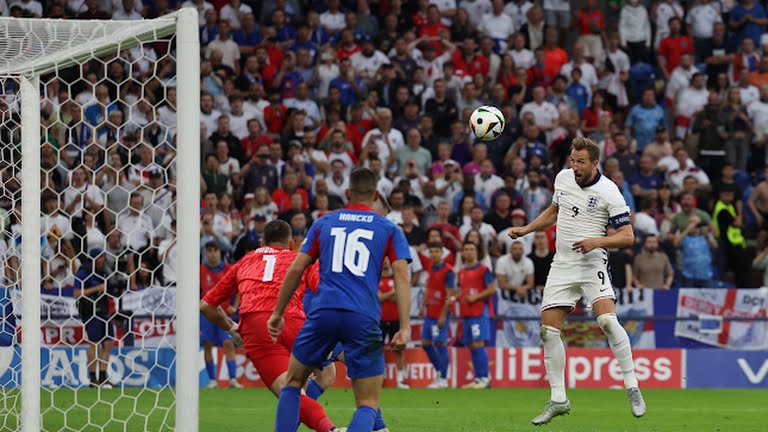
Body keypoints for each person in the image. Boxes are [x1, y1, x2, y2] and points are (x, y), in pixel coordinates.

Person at [508, 137, 645, 424]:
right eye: (572, 160)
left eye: (581, 161)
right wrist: (527, 229)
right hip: (562, 264)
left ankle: (632, 386)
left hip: (592, 261)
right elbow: (554, 212)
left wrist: (597, 241)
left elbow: (628, 236)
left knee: (607, 321)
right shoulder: (563, 178)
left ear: (595, 163)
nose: (575, 166)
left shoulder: (610, 192)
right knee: (548, 331)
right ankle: (558, 399)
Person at [269, 168, 412, 432]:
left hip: (322, 312)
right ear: (377, 194)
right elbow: (402, 277)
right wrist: (404, 327)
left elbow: (297, 269)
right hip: (362, 316)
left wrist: (277, 312)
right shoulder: (389, 229)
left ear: (347, 193)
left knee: (292, 384)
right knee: (367, 402)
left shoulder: (324, 222)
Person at [200, 220, 341, 432]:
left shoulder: (244, 261)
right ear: (291, 243)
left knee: (289, 390)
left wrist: (232, 328)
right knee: (327, 373)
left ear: (262, 242)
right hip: (295, 323)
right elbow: (325, 291)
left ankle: (329, 429)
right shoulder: (299, 259)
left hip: (258, 326)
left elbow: (206, 306)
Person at [199, 241, 241, 388]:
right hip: (206, 314)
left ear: (219, 252)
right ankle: (212, 380)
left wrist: (234, 306)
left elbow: (239, 288)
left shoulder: (229, 268)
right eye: (209, 251)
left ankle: (233, 379)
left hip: (224, 314)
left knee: (228, 343)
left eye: (215, 250)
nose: (212, 253)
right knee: (207, 345)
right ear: (206, 253)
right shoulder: (201, 269)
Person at [456, 241, 496, 389]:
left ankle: (485, 378)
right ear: (462, 253)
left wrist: (476, 297)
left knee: (478, 343)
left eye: (472, 249)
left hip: (479, 312)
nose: (469, 252)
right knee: (472, 345)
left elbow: (492, 289)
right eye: (466, 249)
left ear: (477, 252)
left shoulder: (484, 270)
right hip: (466, 314)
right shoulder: (461, 272)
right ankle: (478, 379)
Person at [75, 248, 114, 388]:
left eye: (103, 257)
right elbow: (77, 293)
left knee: (108, 343)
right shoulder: (83, 272)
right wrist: (97, 288)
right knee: (94, 343)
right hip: (90, 311)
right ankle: (93, 379)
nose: (102, 260)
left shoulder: (103, 271)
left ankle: (103, 377)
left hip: (103, 310)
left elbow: (109, 288)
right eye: (99, 258)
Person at [421, 241, 455, 389]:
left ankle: (443, 378)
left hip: (441, 314)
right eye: (431, 252)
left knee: (440, 343)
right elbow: (429, 288)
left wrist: (443, 315)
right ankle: (439, 371)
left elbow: (449, 295)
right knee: (426, 343)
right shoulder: (431, 267)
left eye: (436, 251)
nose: (433, 254)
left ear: (442, 253)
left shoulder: (448, 271)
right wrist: (424, 306)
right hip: (430, 313)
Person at [377, 258, 409, 389]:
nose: (385, 262)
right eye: (383, 259)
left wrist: (387, 295)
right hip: (380, 319)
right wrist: (395, 292)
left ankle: (400, 380)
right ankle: (379, 379)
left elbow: (398, 298)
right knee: (378, 350)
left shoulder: (396, 278)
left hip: (396, 318)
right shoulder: (377, 278)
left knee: (398, 349)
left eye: (387, 260)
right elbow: (378, 297)